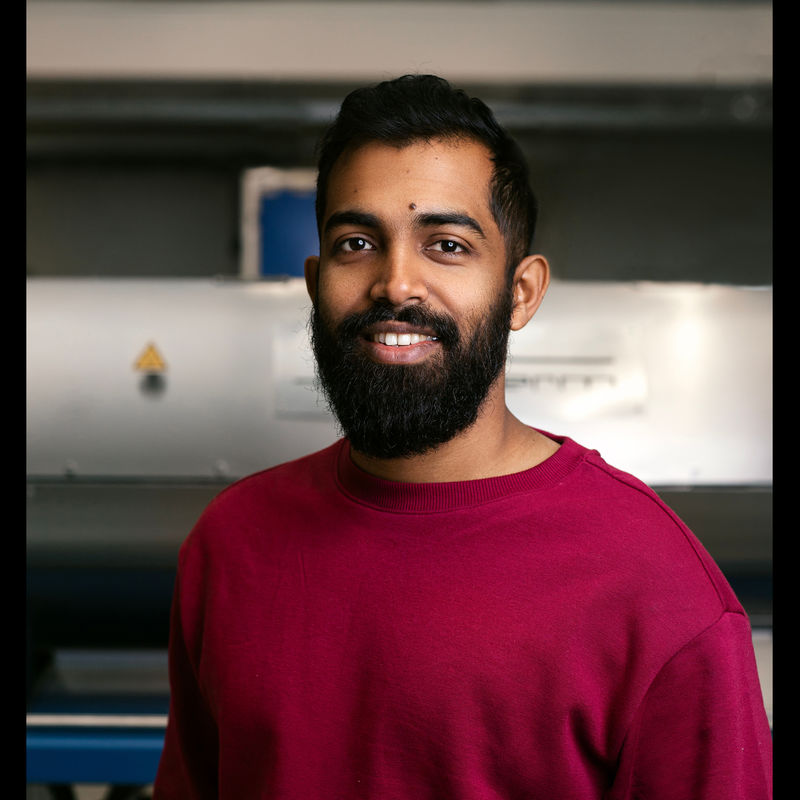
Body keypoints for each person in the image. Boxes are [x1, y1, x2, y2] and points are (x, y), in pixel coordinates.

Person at [153, 75, 772, 799]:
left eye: (446, 244)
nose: (396, 283)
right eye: (358, 242)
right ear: (316, 281)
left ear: (521, 292)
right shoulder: (230, 546)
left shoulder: (658, 591)